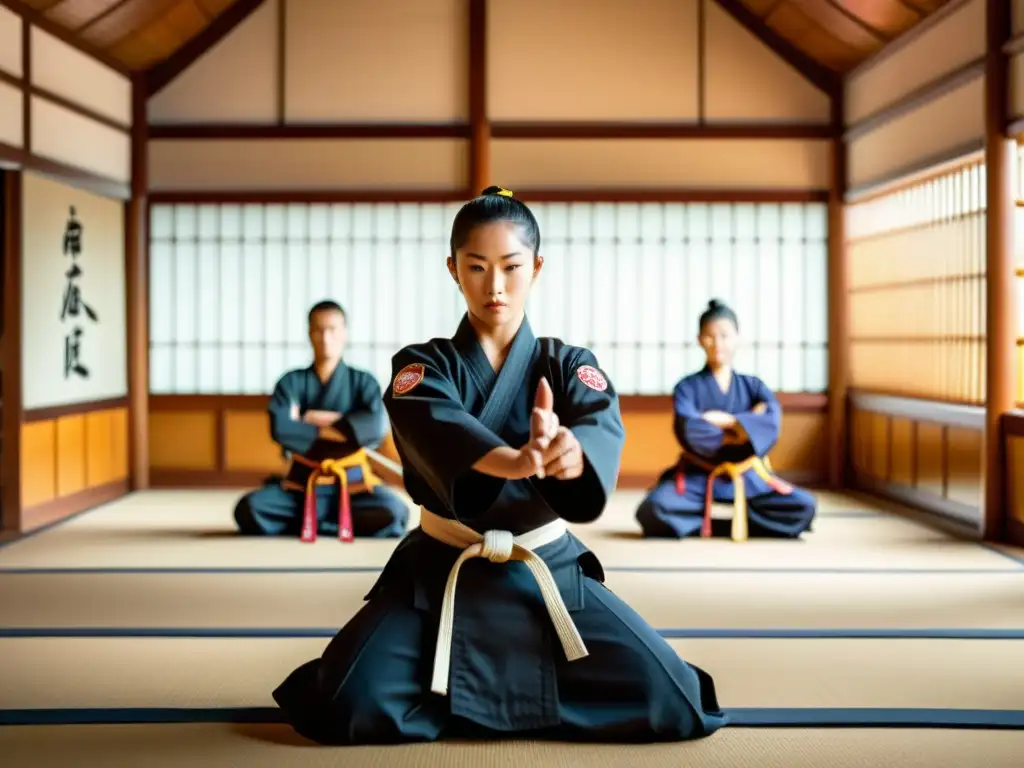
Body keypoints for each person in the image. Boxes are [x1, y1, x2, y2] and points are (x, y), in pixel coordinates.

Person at [272, 187, 727, 745]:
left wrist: (569, 454)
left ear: (536, 267)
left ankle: (462, 698)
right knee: (345, 703)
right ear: (453, 269)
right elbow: (431, 426)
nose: (495, 286)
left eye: (511, 267)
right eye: (477, 267)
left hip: (546, 571)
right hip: (442, 569)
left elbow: (597, 421)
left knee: (673, 700)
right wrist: (512, 461)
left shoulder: (567, 364)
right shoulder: (420, 365)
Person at [635, 299, 817, 540]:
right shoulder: (687, 387)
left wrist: (725, 420)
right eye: (710, 336)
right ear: (700, 339)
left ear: (737, 337)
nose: (718, 343)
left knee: (804, 507)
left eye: (724, 335)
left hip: (747, 475)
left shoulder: (753, 385)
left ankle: (705, 524)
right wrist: (744, 427)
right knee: (652, 511)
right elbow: (691, 429)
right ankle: (726, 525)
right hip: (697, 475)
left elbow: (771, 422)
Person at [233, 300, 408, 540]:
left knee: (396, 512)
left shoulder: (363, 382)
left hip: (353, 483)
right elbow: (281, 429)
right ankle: (333, 522)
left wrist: (311, 419)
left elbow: (375, 427)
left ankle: (313, 521)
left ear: (344, 333)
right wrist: (348, 424)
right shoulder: (291, 382)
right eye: (319, 329)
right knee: (249, 509)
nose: (326, 337)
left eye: (333, 330)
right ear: (309, 333)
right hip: (302, 484)